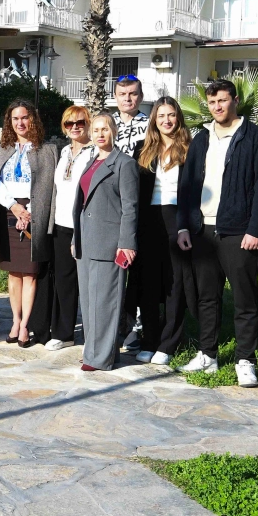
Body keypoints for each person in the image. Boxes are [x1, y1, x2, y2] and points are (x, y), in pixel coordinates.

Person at [175, 80, 258, 386]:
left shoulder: (255, 138)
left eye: (222, 100)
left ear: (235, 100)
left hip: (239, 232)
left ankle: (245, 360)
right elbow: (187, 186)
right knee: (207, 297)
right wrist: (184, 225)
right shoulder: (201, 139)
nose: (217, 107)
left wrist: (255, 229)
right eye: (212, 102)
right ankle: (208, 354)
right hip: (202, 230)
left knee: (245, 299)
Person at [0, 100, 56, 347]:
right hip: (8, 212)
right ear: (9, 122)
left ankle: (25, 327)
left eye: (24, 117)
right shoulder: (2, 149)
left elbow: (48, 187)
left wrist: (29, 213)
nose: (20, 123)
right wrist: (14, 207)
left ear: (33, 119)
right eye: (15, 119)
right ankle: (15, 321)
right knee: (13, 272)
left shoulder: (47, 150)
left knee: (30, 273)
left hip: (36, 215)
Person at [73, 113, 139, 372]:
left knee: (104, 303)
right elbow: (82, 204)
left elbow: (130, 207)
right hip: (86, 241)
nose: (100, 134)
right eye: (96, 129)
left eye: (105, 129)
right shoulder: (90, 162)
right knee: (90, 303)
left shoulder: (125, 164)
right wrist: (76, 237)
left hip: (109, 243)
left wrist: (127, 243)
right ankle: (98, 352)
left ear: (114, 132)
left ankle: (99, 358)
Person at [132, 97, 194, 366]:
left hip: (177, 220)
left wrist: (187, 224)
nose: (166, 120)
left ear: (178, 117)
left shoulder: (191, 149)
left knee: (174, 285)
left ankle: (168, 343)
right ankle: (149, 339)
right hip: (148, 221)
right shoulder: (142, 149)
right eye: (161, 116)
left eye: (171, 115)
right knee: (148, 284)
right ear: (154, 120)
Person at [45, 104, 93, 350]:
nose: (75, 127)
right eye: (69, 123)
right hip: (61, 224)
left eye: (80, 122)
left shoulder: (95, 153)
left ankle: (93, 336)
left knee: (88, 282)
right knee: (64, 280)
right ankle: (64, 334)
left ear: (88, 124)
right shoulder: (63, 152)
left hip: (85, 225)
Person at [112, 74, 149, 350]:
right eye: (122, 94)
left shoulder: (150, 126)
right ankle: (112, 324)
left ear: (141, 96)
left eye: (133, 94)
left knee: (137, 269)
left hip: (139, 203)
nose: (128, 99)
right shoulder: (106, 124)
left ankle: (136, 326)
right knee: (111, 268)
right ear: (115, 97)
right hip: (109, 205)